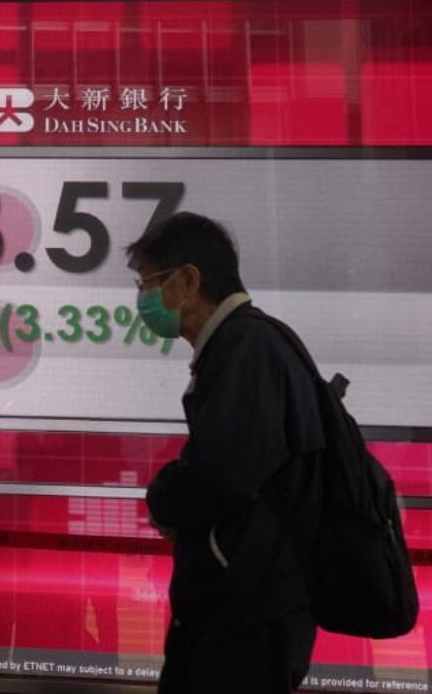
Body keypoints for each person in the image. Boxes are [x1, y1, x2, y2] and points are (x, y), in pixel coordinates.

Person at [127, 212, 324, 694]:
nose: (141, 298)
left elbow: (222, 475)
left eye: (147, 282)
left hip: (246, 618)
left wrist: (163, 497)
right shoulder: (246, 343)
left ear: (188, 281)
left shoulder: (245, 347)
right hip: (245, 608)